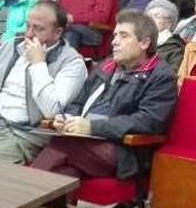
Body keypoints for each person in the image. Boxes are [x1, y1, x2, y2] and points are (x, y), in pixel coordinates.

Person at [30, 10, 178, 186]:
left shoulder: (161, 76)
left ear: (144, 42)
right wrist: (66, 118)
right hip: (84, 139)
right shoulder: (107, 64)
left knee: (62, 144)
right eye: (115, 35)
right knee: (63, 176)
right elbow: (79, 101)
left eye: (123, 36)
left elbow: (147, 121)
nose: (114, 41)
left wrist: (92, 127)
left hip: (124, 149)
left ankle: (22, 192)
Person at [0, 2, 87, 163]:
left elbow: (52, 110)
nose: (29, 34)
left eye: (38, 29)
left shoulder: (72, 63)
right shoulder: (11, 45)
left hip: (23, 134)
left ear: (58, 32)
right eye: (28, 26)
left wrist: (38, 64)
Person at [144, 0, 185, 71]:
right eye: (149, 16)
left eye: (157, 16)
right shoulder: (141, 41)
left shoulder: (175, 48)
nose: (151, 19)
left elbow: (173, 74)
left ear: (169, 23)